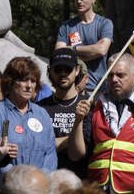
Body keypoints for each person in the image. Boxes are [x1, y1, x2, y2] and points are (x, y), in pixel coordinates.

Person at [68, 52, 134, 193]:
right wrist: (78, 121)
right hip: (98, 187)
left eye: (120, 75)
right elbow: (76, 155)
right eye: (110, 75)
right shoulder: (94, 105)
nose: (114, 80)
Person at [0, 57, 57, 173]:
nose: (29, 86)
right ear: (10, 82)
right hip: (9, 185)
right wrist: (19, 179)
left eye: (33, 81)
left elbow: (50, 154)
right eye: (24, 80)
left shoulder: (42, 114)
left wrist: (41, 180)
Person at [36, 48, 88, 177]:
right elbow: (38, 147)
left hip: (80, 181)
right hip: (48, 180)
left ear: (76, 70)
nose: (63, 73)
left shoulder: (88, 105)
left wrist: (55, 142)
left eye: (68, 69)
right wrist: (72, 140)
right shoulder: (39, 108)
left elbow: (81, 150)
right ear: (49, 71)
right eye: (58, 69)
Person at [54, 0, 113, 93]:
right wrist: (91, 52)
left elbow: (102, 50)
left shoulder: (105, 23)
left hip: (99, 89)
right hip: (73, 90)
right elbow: (59, 53)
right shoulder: (66, 26)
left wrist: (73, 50)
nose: (79, 1)